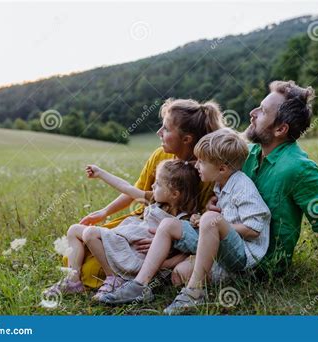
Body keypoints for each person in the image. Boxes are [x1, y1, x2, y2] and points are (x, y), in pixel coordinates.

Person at [171, 80, 318, 289]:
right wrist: (218, 202)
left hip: (261, 264)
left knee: (179, 274)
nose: (253, 112)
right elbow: (232, 190)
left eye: (263, 111)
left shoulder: (299, 168)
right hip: (232, 243)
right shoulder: (248, 155)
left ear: (280, 129)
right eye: (258, 106)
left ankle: (192, 290)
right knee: (167, 246)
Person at [97, 129, 271, 312]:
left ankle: (194, 293)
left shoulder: (242, 186)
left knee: (210, 219)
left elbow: (253, 229)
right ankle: (140, 285)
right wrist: (206, 222)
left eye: (202, 162)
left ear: (222, 168)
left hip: (242, 255)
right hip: (221, 245)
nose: (196, 166)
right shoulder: (222, 183)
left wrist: (211, 223)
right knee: (168, 224)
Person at [62, 98, 225, 289]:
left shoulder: (207, 171)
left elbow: (198, 227)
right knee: (75, 253)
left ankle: (118, 279)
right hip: (140, 224)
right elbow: (135, 192)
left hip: (167, 238)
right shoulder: (160, 156)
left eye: (166, 129)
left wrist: (165, 246)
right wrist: (104, 212)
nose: (159, 133)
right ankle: (93, 278)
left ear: (186, 139)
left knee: (91, 270)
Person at [44, 159, 200, 298]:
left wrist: (166, 263)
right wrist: (101, 173)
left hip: (136, 253)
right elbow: (126, 188)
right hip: (126, 238)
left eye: (158, 183)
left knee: (90, 233)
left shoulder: (183, 221)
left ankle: (113, 278)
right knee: (74, 230)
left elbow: (189, 250)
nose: (153, 185)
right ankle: (73, 280)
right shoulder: (155, 199)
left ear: (174, 194)